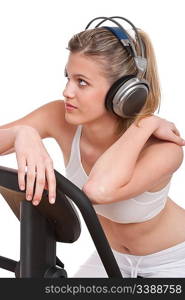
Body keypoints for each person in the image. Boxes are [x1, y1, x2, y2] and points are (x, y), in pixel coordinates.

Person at [0, 16, 185, 278]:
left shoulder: (164, 148)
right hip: (111, 257)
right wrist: (22, 133)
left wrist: (146, 122)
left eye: (82, 82)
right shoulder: (59, 117)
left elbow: (98, 190)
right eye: (68, 77)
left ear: (124, 93)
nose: (67, 91)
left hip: (174, 260)